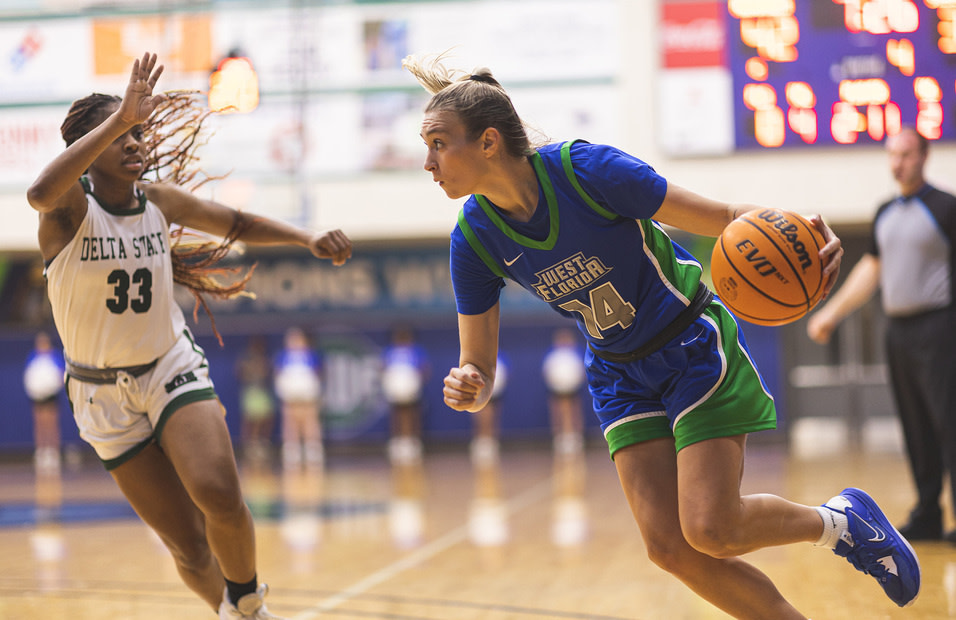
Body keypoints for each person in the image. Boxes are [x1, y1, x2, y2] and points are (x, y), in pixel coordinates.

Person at [402, 51, 920, 618]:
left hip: (689, 344)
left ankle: (841, 524)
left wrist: (802, 233)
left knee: (712, 528)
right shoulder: (473, 240)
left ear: (488, 142)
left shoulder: (585, 171)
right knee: (670, 548)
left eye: (438, 144)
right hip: (617, 372)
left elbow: (724, 215)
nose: (428, 162)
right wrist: (471, 383)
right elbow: (478, 364)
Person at [25, 52, 352, 620]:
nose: (136, 142)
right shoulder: (69, 211)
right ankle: (231, 612)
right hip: (100, 395)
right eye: (123, 134)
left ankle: (248, 602)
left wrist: (306, 237)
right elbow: (38, 192)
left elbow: (236, 224)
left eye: (139, 132)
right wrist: (120, 117)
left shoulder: (158, 201)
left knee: (219, 492)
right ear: (91, 147)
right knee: (187, 545)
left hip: (167, 366)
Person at [807, 126, 956, 544]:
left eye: (905, 154)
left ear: (924, 156)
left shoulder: (946, 207)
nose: (897, 163)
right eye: (892, 155)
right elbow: (871, 269)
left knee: (949, 423)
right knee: (915, 427)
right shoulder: (884, 212)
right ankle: (927, 514)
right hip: (899, 333)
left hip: (939, 329)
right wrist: (830, 314)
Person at [273, 327, 324, 472]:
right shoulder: (283, 356)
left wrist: (315, 391)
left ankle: (312, 451)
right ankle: (292, 452)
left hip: (308, 399)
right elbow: (278, 375)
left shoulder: (311, 356)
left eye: (298, 339)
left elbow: (318, 374)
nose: (295, 342)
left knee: (310, 423)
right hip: (290, 399)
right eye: (292, 339)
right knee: (290, 424)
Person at [381, 324, 430, 465]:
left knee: (411, 414)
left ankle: (412, 441)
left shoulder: (416, 351)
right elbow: (383, 368)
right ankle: (398, 441)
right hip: (395, 389)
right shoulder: (389, 351)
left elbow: (425, 369)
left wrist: (416, 382)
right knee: (396, 414)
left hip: (411, 389)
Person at [23, 330, 66, 476]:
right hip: (37, 395)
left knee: (51, 423)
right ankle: (41, 451)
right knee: (39, 423)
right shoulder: (33, 357)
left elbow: (61, 375)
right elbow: (28, 376)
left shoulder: (55, 356)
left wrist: (53, 386)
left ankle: (53, 452)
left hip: (51, 395)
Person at [542, 327, 587, 457]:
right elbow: (547, 371)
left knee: (574, 410)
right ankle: (559, 437)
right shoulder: (552, 355)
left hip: (573, 387)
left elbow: (582, 370)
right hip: (556, 388)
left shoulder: (576, 353)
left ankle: (576, 437)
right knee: (557, 410)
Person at [236, 335, 276, 468]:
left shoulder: (265, 359)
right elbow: (241, 373)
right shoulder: (245, 359)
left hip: (262, 392)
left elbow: (267, 372)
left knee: (265, 419)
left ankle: (262, 444)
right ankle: (250, 447)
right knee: (250, 421)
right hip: (251, 392)